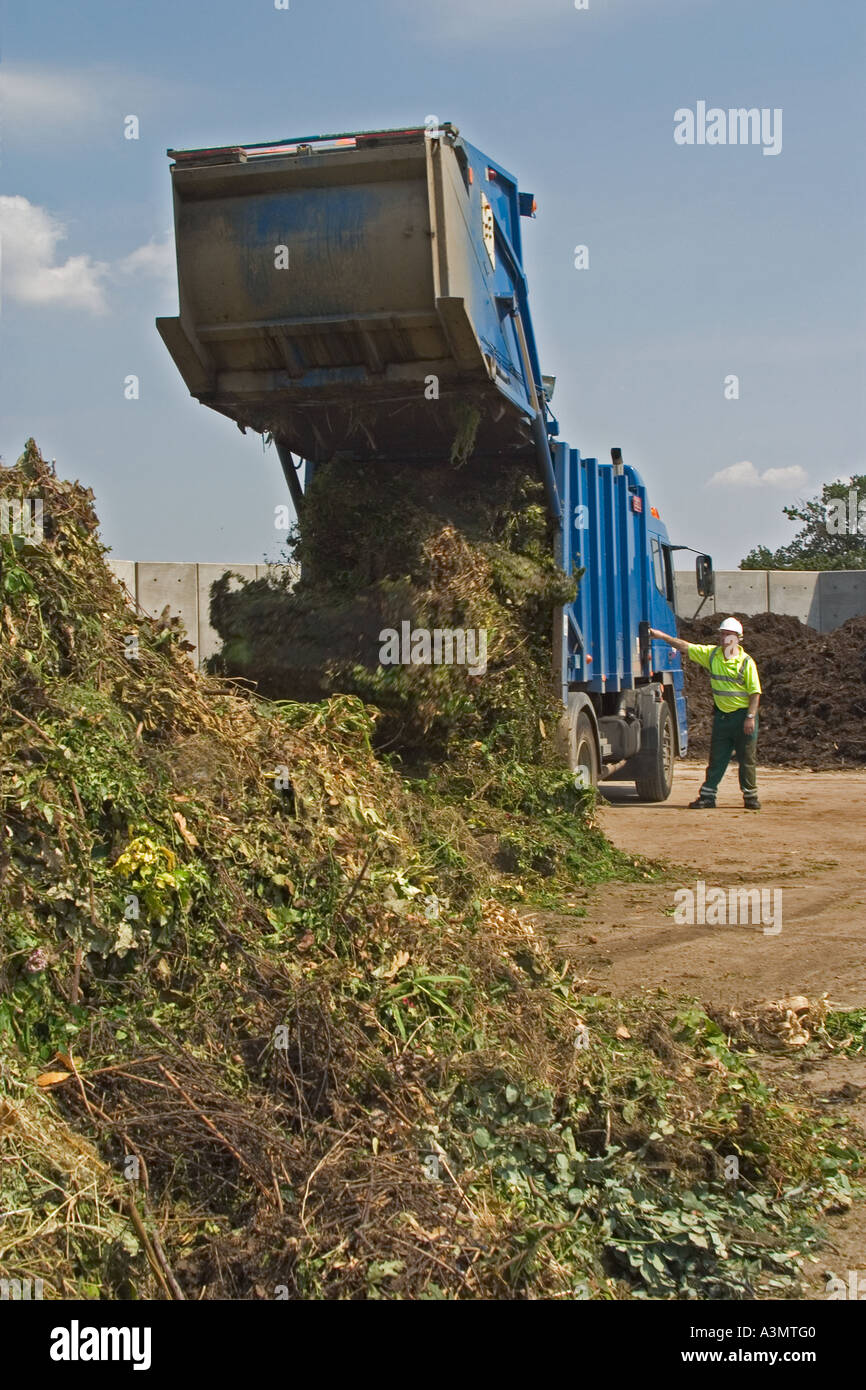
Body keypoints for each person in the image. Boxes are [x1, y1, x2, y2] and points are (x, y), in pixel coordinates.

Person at [647, 617, 762, 810]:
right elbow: (685, 646)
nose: (724, 638)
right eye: (722, 634)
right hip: (723, 718)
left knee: (747, 759)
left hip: (743, 717)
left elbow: (755, 693)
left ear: (738, 638)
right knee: (717, 758)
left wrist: (750, 717)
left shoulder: (746, 663)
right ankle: (708, 796)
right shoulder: (712, 655)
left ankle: (750, 797)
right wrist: (662, 636)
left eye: (728, 635)